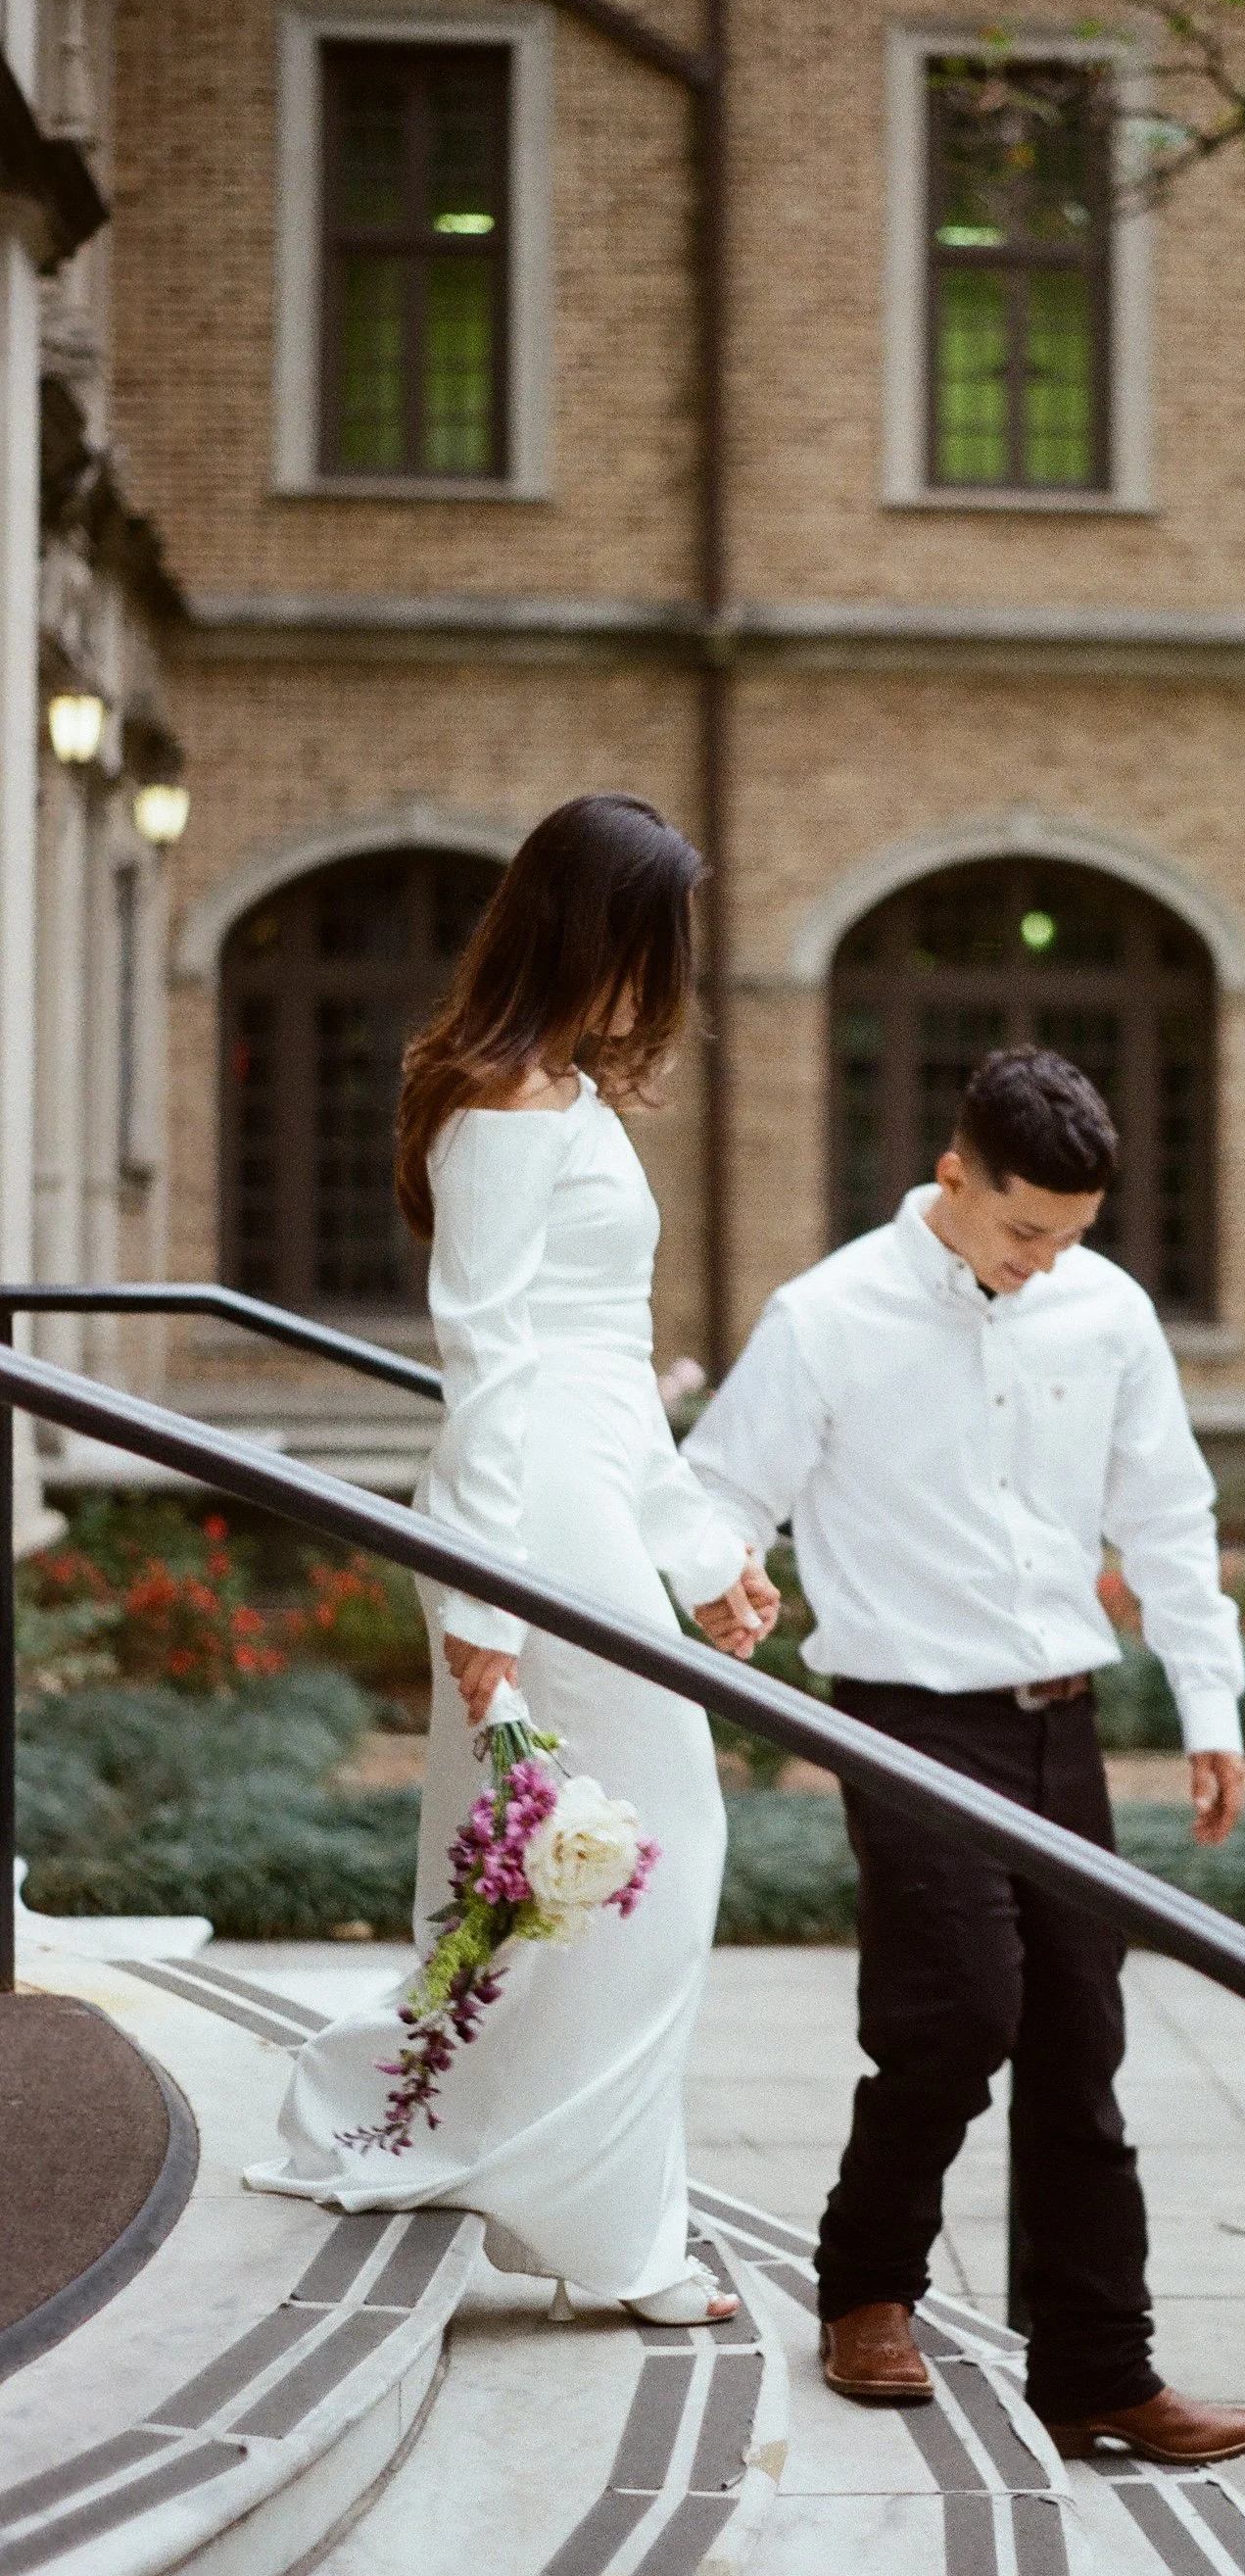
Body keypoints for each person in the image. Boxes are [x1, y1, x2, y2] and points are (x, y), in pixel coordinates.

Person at [684, 1046, 1245, 2460]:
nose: (1048, 1263)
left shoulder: (1105, 1312)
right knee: (955, 2015)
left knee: (1081, 2041)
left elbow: (1171, 1518)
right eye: (1024, 1232)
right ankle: (868, 2286)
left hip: (1063, 1719)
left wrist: (1211, 1702)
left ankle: (1097, 2369)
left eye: (1073, 1237)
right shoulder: (826, 1318)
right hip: (906, 1717)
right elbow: (717, 1489)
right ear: (953, 1176)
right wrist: (717, 1574)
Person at [248, 794, 780, 2325]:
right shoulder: (498, 1106)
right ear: (585, 927)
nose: (665, 970)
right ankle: (598, 2226)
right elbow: (487, 1359)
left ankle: (561, 2192)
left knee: (588, 1866)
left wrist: (703, 1551)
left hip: (591, 1478)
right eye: (650, 936)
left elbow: (611, 1360)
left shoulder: (572, 1097)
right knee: (637, 1854)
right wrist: (479, 1600)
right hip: (526, 1498)